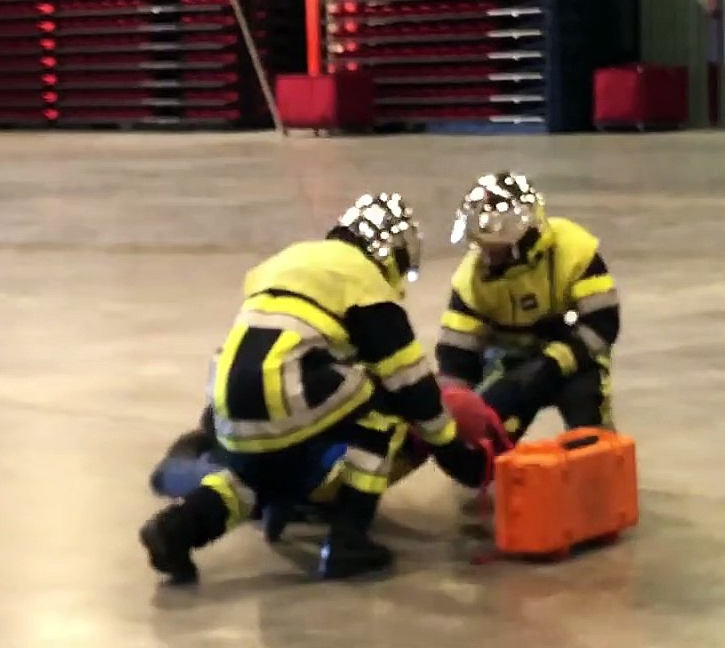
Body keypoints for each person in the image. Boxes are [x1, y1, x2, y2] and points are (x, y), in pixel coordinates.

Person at [139, 192, 496, 584]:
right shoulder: (363, 281)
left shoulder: (290, 260)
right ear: (392, 252)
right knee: (388, 409)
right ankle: (348, 541)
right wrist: (453, 452)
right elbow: (412, 385)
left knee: (251, 482)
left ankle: (174, 530)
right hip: (284, 389)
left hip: (229, 396)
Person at [435, 171, 622, 446]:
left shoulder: (573, 249)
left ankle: (594, 446)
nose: (486, 256)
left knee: (590, 441)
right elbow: (456, 360)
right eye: (481, 246)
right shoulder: (469, 281)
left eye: (494, 248)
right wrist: (451, 416)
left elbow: (602, 325)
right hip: (512, 366)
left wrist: (554, 364)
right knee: (478, 444)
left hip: (577, 360)